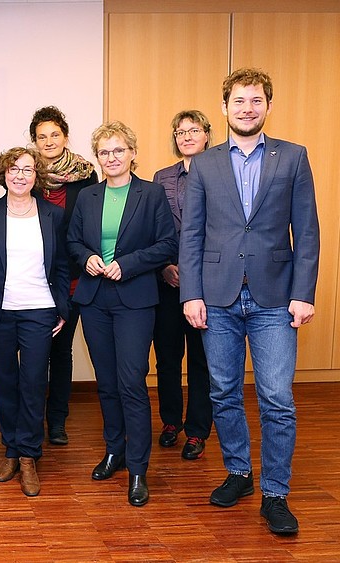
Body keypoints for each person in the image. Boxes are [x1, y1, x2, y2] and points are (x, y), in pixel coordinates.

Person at [180, 68, 320, 535]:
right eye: (238, 100)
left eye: (255, 100)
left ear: (268, 106)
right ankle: (239, 473)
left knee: (276, 398)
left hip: (276, 298)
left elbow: (308, 230)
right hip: (216, 297)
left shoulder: (293, 158)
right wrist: (192, 293)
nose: (246, 108)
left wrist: (303, 293)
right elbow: (193, 234)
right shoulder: (204, 163)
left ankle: (275, 493)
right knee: (222, 391)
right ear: (224, 108)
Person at [67, 121, 176, 507]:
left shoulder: (152, 194)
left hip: (134, 299)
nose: (111, 158)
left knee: (131, 382)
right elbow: (73, 242)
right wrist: (89, 258)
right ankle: (114, 450)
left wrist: (126, 264)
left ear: (132, 152)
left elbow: (166, 244)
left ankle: (138, 469)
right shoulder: (88, 197)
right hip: (95, 299)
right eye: (104, 152)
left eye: (118, 150)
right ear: (96, 158)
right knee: (107, 382)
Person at [0, 147, 68, 497]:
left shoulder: (54, 215)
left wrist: (62, 309)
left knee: (33, 384)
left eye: (28, 169)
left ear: (36, 175)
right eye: (14, 169)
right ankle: (10, 450)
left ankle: (29, 456)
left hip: (40, 310)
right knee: (6, 385)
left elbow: (62, 266)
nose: (20, 175)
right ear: (3, 174)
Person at [28, 106, 99, 446]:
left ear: (65, 137)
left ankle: (56, 421)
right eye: (42, 137)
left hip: (72, 277)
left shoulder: (86, 175)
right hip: (33, 278)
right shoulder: (26, 174)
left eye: (54, 134)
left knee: (61, 351)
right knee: (33, 352)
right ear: (34, 142)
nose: (49, 141)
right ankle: (30, 421)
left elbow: (91, 225)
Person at [151, 110, 215, 460]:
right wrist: (164, 266)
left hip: (207, 284)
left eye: (194, 130)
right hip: (166, 280)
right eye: (180, 131)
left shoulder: (221, 172)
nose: (187, 136)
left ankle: (197, 430)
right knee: (167, 357)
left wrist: (193, 273)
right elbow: (152, 227)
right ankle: (171, 421)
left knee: (202, 360)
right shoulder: (162, 177)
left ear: (207, 134)